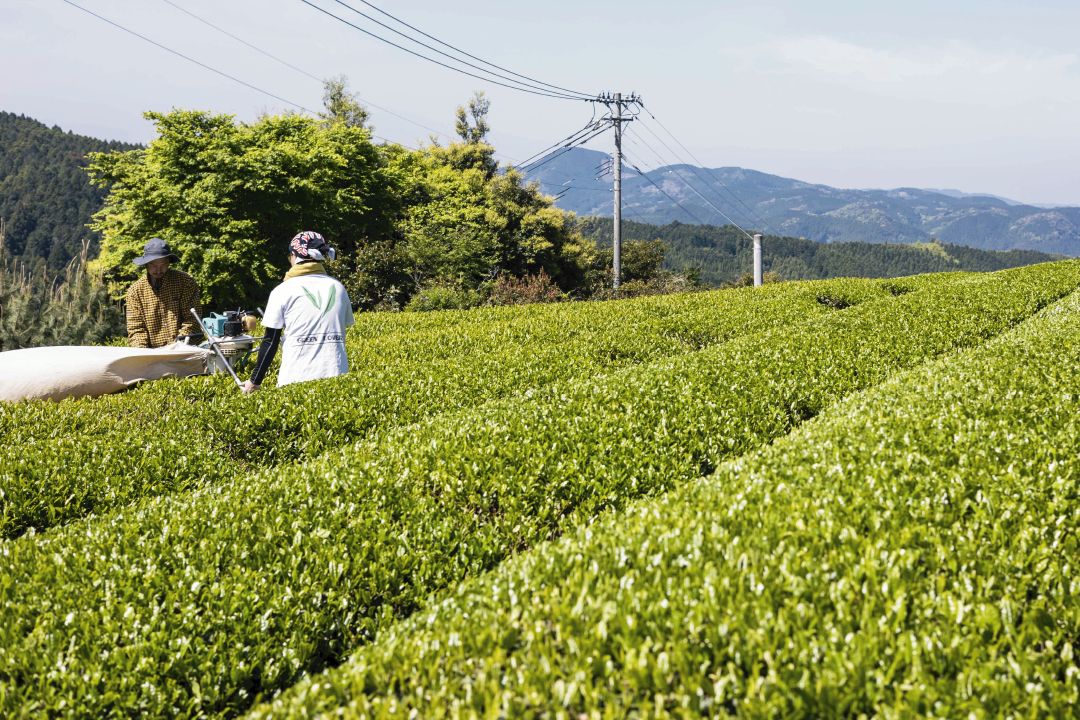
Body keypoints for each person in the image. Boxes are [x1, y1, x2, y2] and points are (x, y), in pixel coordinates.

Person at [242, 231, 353, 393]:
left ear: (295, 256)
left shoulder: (283, 290)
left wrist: (254, 382)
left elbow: (270, 342)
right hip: (338, 379)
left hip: (295, 380)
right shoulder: (338, 288)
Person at [126, 238, 203, 349]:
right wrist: (143, 354)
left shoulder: (185, 281)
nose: (158, 270)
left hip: (187, 349)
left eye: (163, 265)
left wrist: (177, 346)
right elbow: (136, 329)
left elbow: (192, 320)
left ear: (169, 262)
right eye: (154, 266)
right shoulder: (135, 291)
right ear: (146, 264)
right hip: (154, 354)